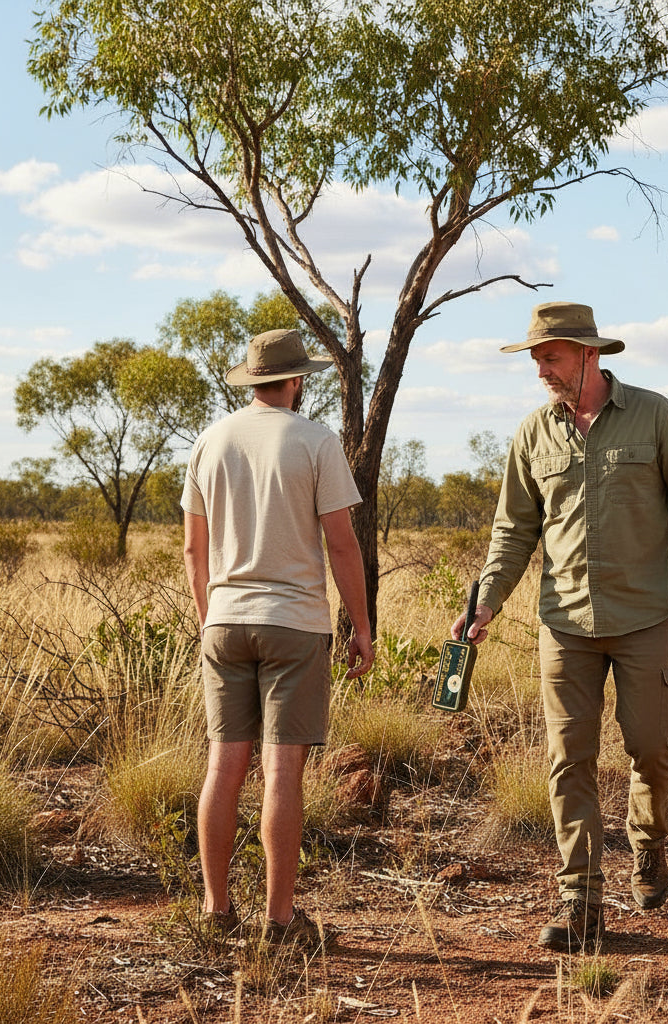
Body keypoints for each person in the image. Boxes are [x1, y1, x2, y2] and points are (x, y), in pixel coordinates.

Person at [453, 301, 668, 952]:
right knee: (568, 761)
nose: (541, 370)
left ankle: (648, 844)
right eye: (537, 359)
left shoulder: (655, 416)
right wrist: (486, 600)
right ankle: (581, 900)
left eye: (550, 357)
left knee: (652, 752)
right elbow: (513, 532)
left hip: (644, 620)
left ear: (589, 354)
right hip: (565, 624)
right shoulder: (532, 434)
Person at [181, 327, 374, 947]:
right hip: (295, 624)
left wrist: (209, 614)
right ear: (296, 381)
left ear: (252, 380)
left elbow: (193, 546)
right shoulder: (316, 441)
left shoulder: (211, 441)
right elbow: (341, 542)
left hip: (225, 619)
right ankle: (280, 920)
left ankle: (216, 911)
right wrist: (361, 628)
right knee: (282, 770)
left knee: (224, 763)